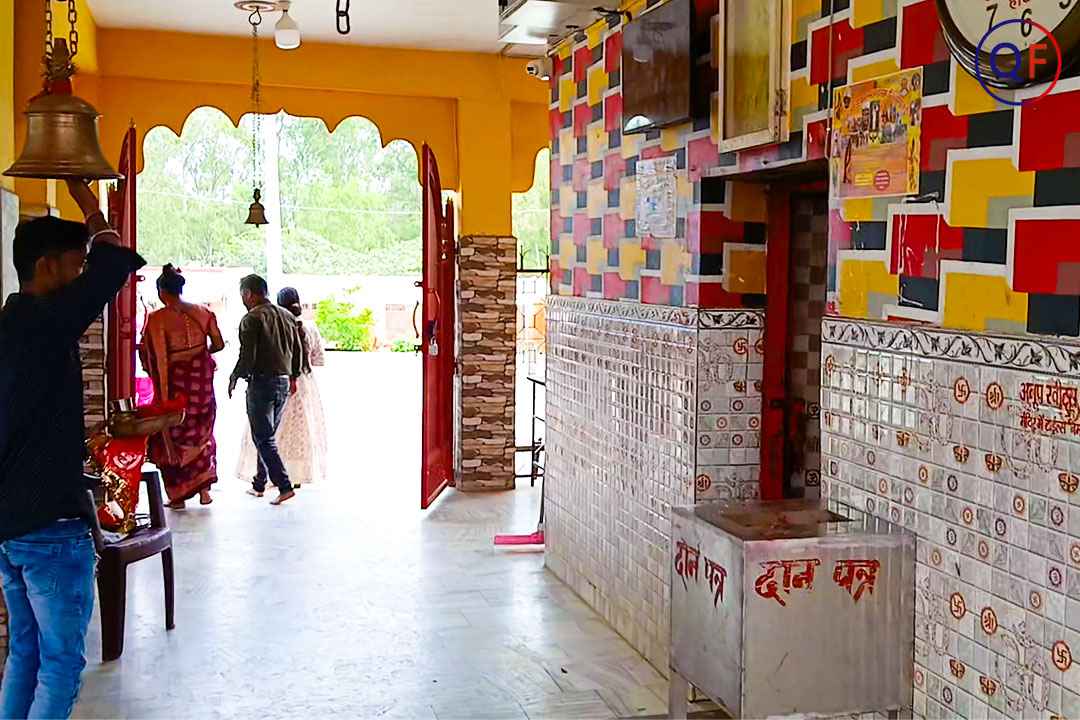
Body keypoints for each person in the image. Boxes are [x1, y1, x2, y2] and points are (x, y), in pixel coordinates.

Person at [0, 180, 145, 719]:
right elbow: (112, 265)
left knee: (26, 653)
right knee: (61, 664)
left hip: (11, 526)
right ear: (47, 268)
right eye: (75, 264)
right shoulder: (45, 322)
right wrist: (86, 198)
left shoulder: (11, 322)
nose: (82, 273)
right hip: (50, 528)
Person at [139, 264, 225, 509]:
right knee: (203, 432)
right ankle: (204, 491)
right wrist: (198, 356)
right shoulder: (204, 313)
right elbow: (218, 344)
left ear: (161, 292)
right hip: (201, 383)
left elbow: (147, 354)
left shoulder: (156, 319)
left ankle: (177, 495)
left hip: (174, 386)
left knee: (174, 432)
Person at [236, 287, 328, 488]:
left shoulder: (275, 322)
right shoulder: (309, 327)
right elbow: (318, 358)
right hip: (302, 384)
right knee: (298, 433)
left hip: (276, 378)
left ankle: (268, 479)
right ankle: (294, 477)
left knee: (268, 432)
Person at [229, 274, 302, 506]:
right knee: (266, 436)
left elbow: (247, 355)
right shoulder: (288, 315)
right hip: (283, 381)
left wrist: (235, 375)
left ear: (249, 294)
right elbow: (298, 350)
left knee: (263, 437)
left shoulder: (251, 319)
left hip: (261, 381)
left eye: (243, 295)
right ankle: (259, 483)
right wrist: (294, 376)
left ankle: (284, 485)